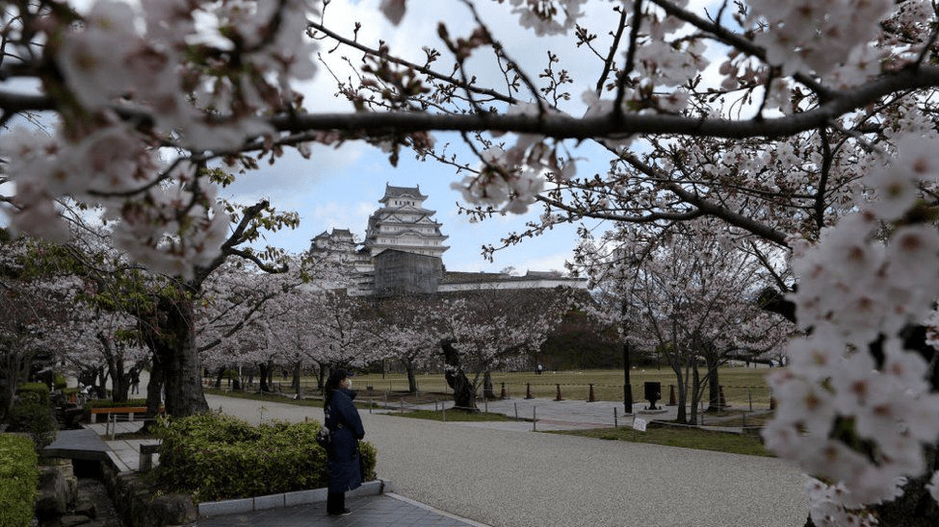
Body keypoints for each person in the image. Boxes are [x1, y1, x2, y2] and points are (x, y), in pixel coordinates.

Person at [323, 368, 365, 516]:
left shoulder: (332, 396)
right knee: (340, 472)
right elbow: (353, 418)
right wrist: (360, 433)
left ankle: (334, 506)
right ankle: (337, 508)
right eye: (346, 378)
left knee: (336, 471)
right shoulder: (341, 398)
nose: (349, 381)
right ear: (341, 382)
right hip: (343, 440)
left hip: (335, 438)